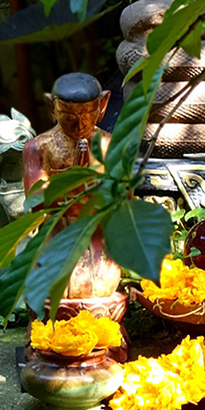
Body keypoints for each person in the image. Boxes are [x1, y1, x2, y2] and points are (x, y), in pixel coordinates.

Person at [23, 73, 119, 301]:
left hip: (97, 237)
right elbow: (37, 201)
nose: (79, 124)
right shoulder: (38, 148)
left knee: (103, 286)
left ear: (103, 105)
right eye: (68, 116)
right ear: (52, 107)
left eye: (87, 114)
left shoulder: (111, 146)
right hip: (57, 235)